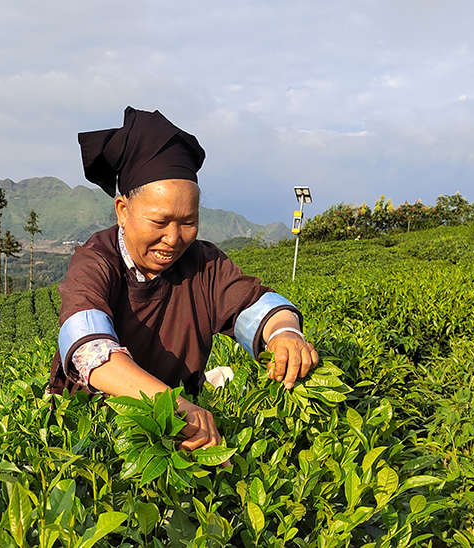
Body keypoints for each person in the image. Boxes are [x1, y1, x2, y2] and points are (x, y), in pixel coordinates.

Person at [49, 107, 319, 453]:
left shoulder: (203, 263)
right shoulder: (96, 260)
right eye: (160, 222)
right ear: (123, 210)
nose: (174, 238)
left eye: (188, 222)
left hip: (182, 432)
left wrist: (285, 335)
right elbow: (89, 349)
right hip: (92, 432)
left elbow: (256, 304)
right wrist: (170, 404)